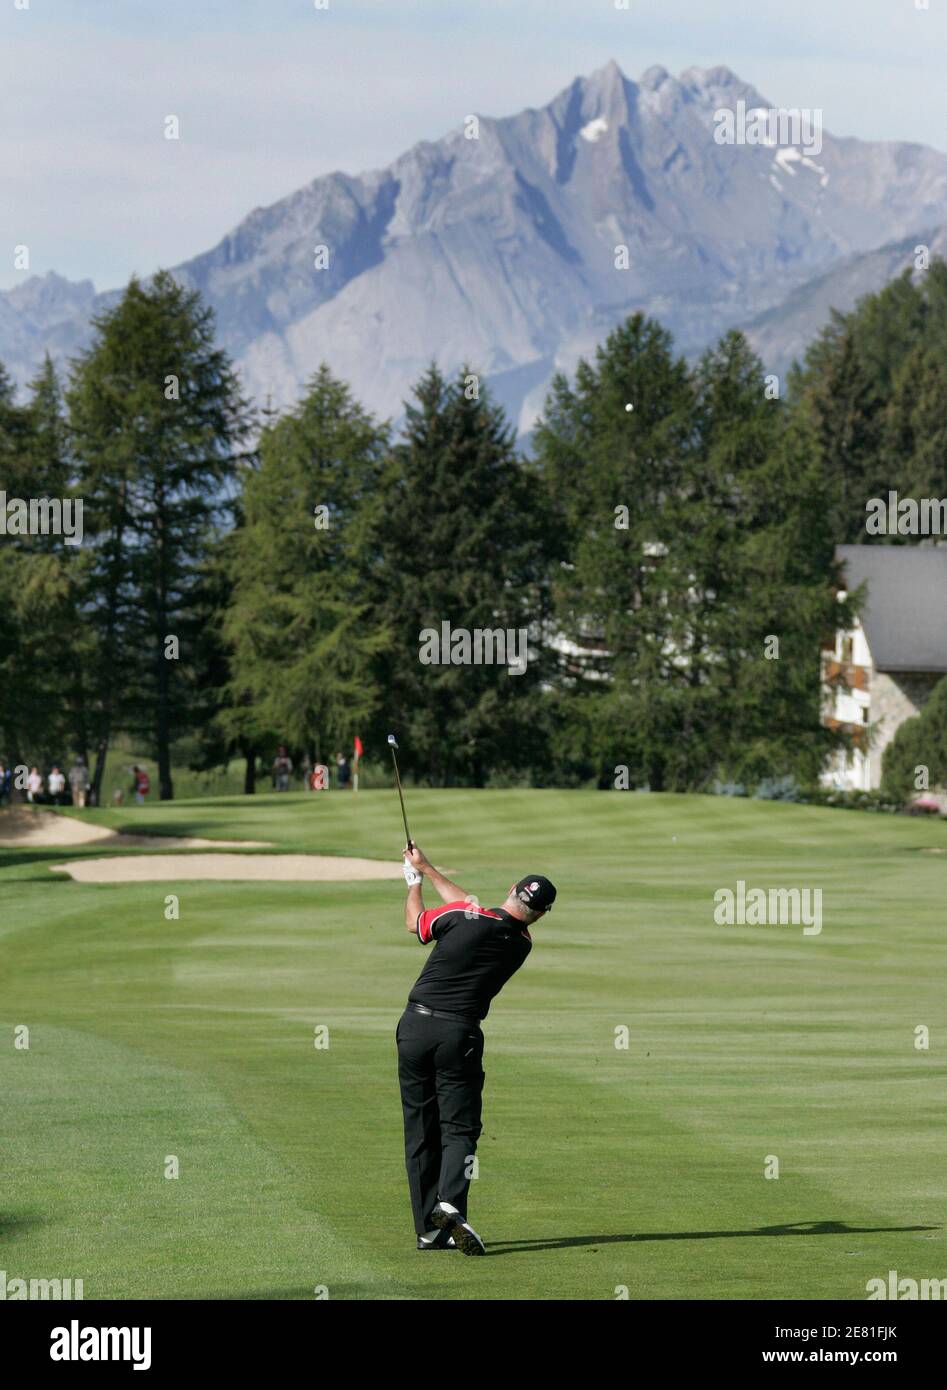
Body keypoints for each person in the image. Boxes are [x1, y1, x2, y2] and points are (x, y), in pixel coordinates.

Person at [396, 843, 557, 1255]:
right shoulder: (521, 943)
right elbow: (472, 909)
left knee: (421, 1127)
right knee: (460, 1128)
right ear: (538, 915)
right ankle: (449, 1205)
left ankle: (429, 1231)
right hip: (459, 1036)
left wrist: (414, 882)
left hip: (413, 1026)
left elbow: (417, 923)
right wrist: (428, 868)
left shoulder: (461, 917)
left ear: (510, 889)